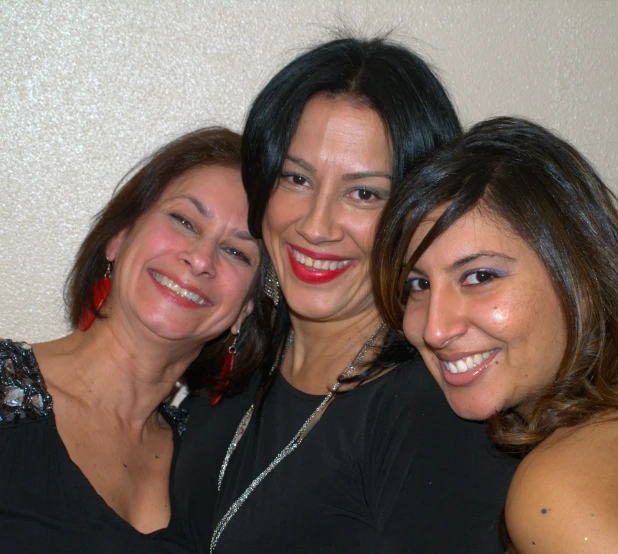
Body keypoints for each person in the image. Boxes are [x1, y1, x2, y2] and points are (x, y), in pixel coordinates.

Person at [172, 36, 519, 553]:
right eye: (296, 178)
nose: (316, 226)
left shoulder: (429, 410)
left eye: (364, 193)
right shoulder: (234, 360)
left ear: (416, 211)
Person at [373, 116, 618, 553]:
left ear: (580, 274)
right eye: (418, 284)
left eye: (480, 276)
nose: (434, 328)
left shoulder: (562, 491)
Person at [0, 127, 261, 553]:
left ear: (244, 311)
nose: (200, 259)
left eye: (237, 252)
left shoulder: (214, 466)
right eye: (184, 221)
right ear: (118, 237)